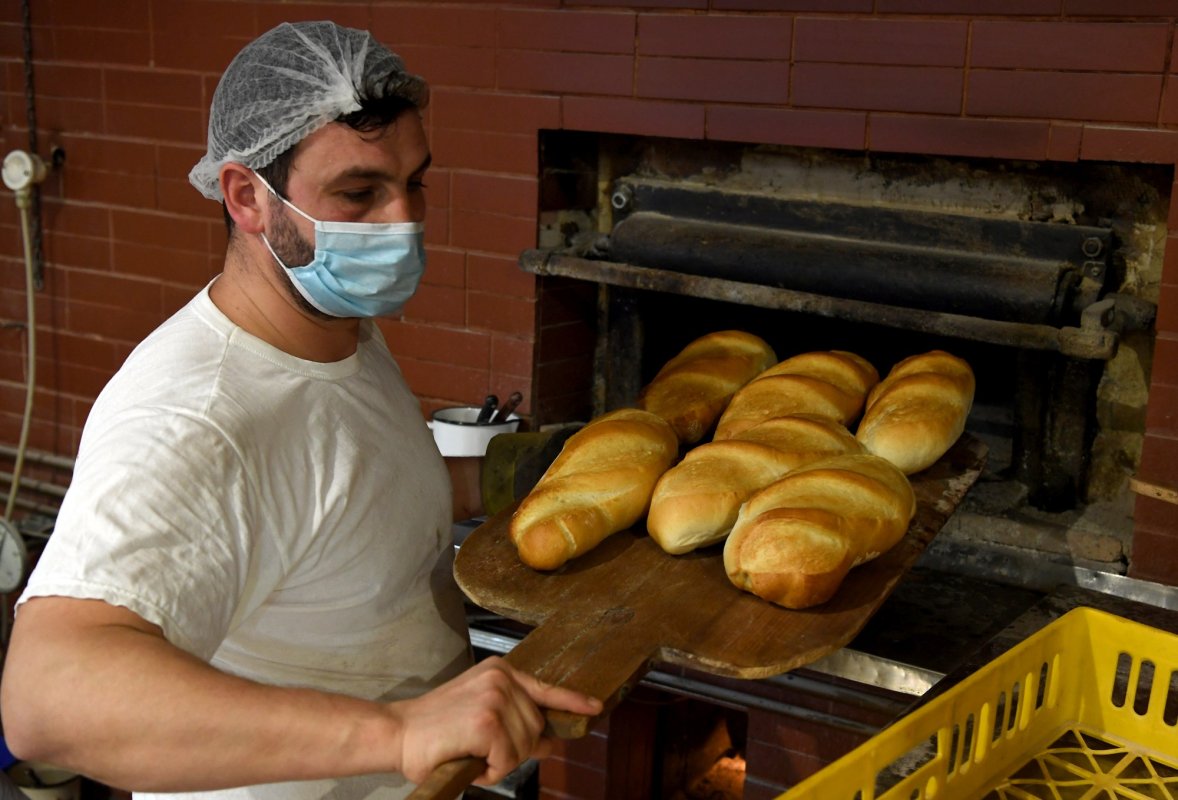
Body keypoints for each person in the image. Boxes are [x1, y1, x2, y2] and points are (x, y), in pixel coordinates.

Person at [0, 20, 600, 800]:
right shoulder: (197, 415)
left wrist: (539, 473)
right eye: (358, 193)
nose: (402, 223)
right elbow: (49, 700)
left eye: (413, 182)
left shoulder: (331, 326)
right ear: (247, 195)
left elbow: (334, 490)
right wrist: (401, 731)